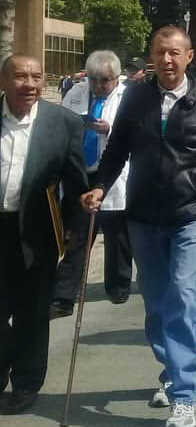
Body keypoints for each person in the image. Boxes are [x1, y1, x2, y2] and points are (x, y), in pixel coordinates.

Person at [81, 27, 196, 427]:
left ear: (189, 57)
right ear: (152, 56)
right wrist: (99, 186)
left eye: (175, 53)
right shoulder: (136, 98)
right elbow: (117, 148)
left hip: (191, 214)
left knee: (184, 296)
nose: (167, 60)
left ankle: (185, 395)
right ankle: (171, 369)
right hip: (143, 216)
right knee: (156, 304)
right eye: (160, 52)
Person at [0, 54, 87, 415]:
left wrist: (72, 230)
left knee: (32, 313)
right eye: (21, 77)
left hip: (36, 230)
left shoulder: (63, 123)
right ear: (4, 81)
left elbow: (76, 180)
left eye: (37, 77)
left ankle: (25, 383)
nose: (30, 85)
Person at [52, 51, 132, 317]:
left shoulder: (129, 97)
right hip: (80, 171)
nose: (99, 86)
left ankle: (118, 285)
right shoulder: (75, 93)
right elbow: (60, 125)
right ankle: (64, 295)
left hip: (113, 172)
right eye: (94, 80)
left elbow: (137, 133)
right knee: (77, 235)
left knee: (117, 235)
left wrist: (110, 129)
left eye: (105, 80)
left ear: (116, 78)